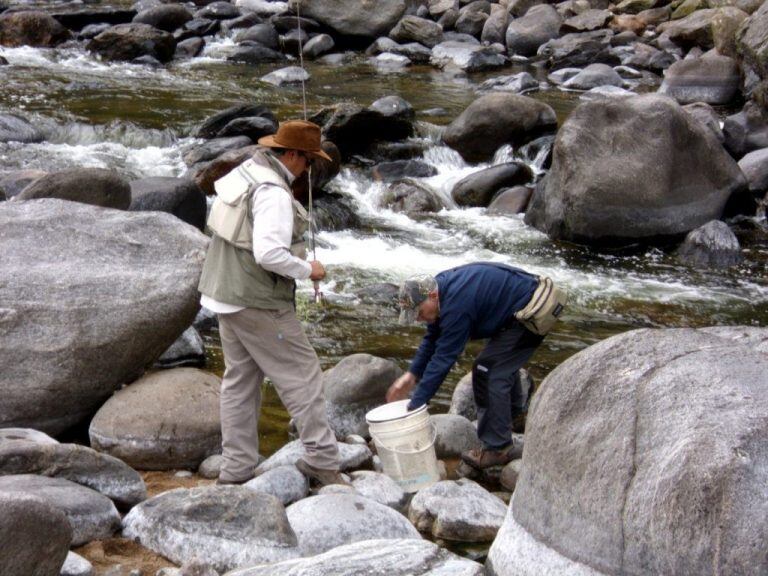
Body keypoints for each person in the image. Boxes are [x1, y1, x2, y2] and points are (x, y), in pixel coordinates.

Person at [198, 119, 346, 487]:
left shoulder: (248, 171)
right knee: (303, 376)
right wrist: (307, 269)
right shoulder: (274, 194)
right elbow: (268, 254)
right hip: (257, 299)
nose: (308, 169)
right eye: (308, 161)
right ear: (292, 155)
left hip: (223, 293)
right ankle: (323, 463)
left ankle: (235, 469)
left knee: (241, 381)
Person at [386, 262, 561, 469]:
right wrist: (412, 375)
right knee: (495, 364)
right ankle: (513, 417)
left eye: (419, 312)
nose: (418, 318)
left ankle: (497, 449)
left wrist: (415, 406)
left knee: (487, 370)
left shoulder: (457, 306)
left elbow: (443, 359)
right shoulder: (439, 288)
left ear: (432, 297)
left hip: (533, 311)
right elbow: (433, 337)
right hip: (514, 309)